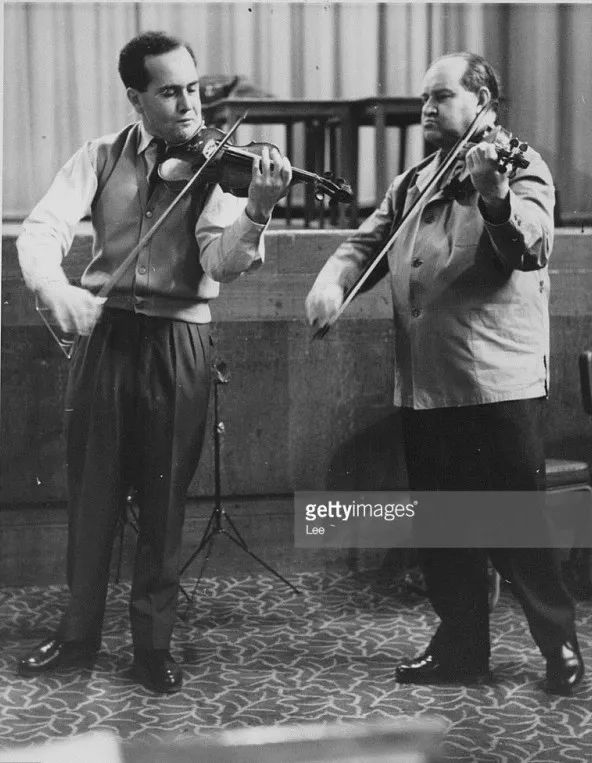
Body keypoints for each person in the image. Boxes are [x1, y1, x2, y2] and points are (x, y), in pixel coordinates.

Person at [16, 31, 292, 693]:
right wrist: (55, 287)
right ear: (136, 98)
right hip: (106, 337)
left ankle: (153, 645)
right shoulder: (99, 155)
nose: (189, 105)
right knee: (92, 495)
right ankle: (77, 636)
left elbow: (221, 262)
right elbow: (42, 229)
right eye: (170, 92)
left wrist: (257, 209)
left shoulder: (215, 166)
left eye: (193, 89)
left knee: (165, 501)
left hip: (178, 341)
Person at [305, 52, 584, 695]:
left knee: (518, 530)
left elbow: (532, 247)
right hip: (425, 387)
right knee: (444, 533)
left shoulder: (519, 165)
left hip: (494, 386)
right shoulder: (415, 181)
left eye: (441, 96)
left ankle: (559, 643)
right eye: (424, 99)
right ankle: (462, 648)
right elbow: (366, 243)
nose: (426, 109)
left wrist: (495, 196)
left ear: (482, 101)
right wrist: (333, 281)